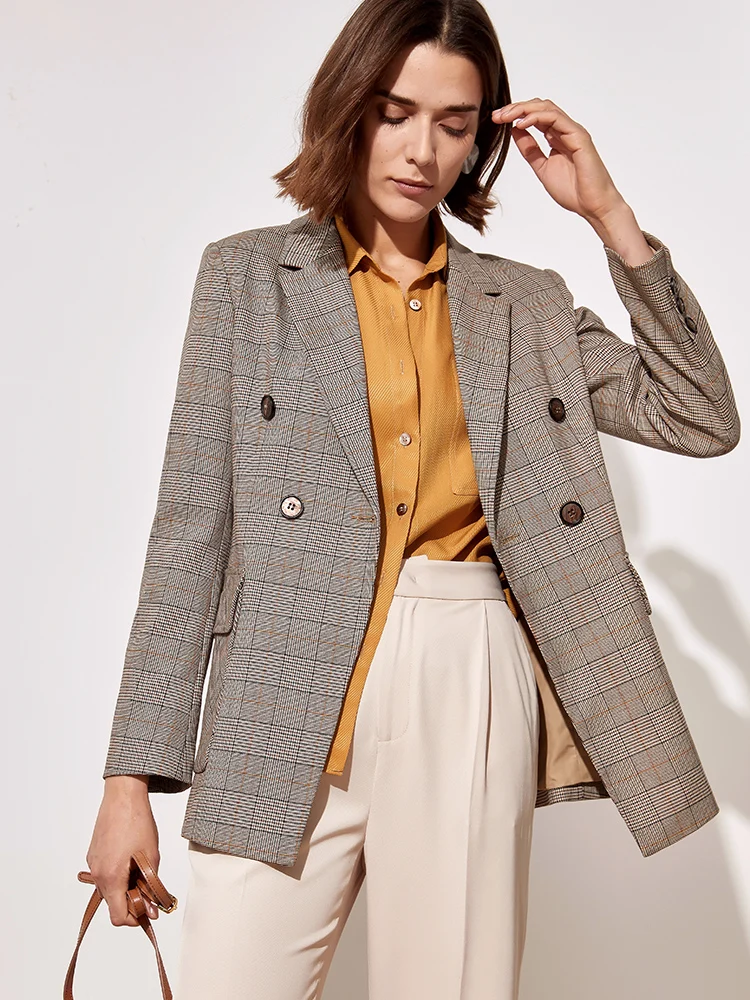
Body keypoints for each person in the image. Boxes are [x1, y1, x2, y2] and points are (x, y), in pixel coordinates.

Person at [85, 1, 740, 998]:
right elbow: (189, 536)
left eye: (454, 123)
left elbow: (699, 416)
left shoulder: (523, 305)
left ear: (481, 139)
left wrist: (609, 217)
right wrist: (128, 780)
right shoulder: (246, 280)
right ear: (349, 108)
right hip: (282, 678)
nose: (422, 150)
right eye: (395, 113)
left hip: (468, 671)